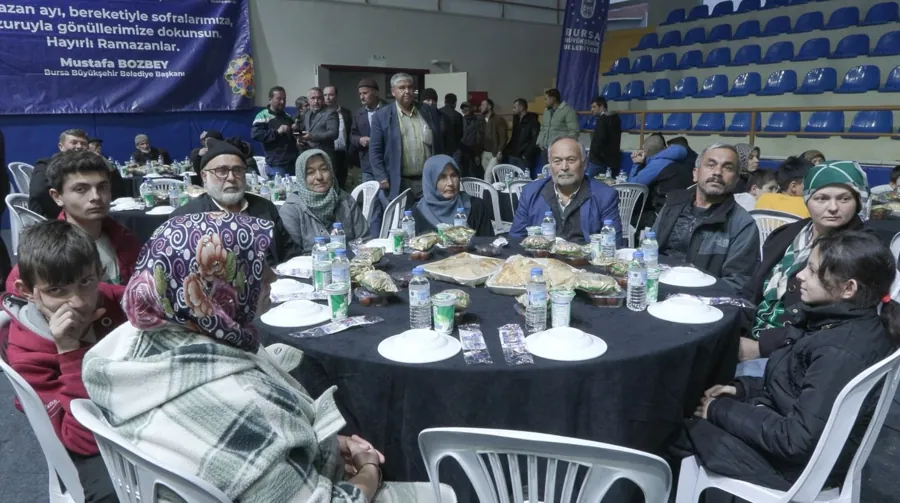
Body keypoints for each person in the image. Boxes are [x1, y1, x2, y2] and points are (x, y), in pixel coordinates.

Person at [81, 213, 455, 503]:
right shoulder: (242, 399)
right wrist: (370, 468)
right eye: (256, 271)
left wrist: (320, 443)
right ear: (215, 289)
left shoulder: (128, 345)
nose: (272, 279)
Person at [672, 230, 898, 491]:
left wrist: (718, 410)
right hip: (792, 441)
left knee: (668, 428)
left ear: (848, 288)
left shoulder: (840, 351)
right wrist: (744, 389)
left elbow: (796, 440)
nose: (800, 275)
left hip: (797, 471)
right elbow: (794, 384)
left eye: (812, 271)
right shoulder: (839, 323)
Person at [4, 220, 127, 503]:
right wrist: (69, 350)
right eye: (57, 291)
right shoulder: (26, 353)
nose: (78, 302)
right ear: (27, 291)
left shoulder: (115, 300)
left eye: (86, 283)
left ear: (100, 272)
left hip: (133, 410)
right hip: (90, 441)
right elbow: (82, 441)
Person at [738, 161, 869, 376]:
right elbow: (752, 287)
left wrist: (760, 347)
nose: (833, 207)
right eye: (821, 198)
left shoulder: (861, 251)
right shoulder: (787, 234)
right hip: (750, 332)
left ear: (858, 202)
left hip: (795, 354)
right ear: (807, 200)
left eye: (844, 198)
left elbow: (838, 325)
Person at [10, 151, 140, 293]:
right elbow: (14, 290)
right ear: (57, 197)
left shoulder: (125, 239)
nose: (96, 197)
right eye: (80, 189)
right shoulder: (44, 250)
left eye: (102, 187)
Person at [651, 143, 759, 292]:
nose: (717, 172)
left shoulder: (743, 225)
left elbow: (736, 284)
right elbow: (649, 253)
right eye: (711, 165)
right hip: (657, 291)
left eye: (728, 168)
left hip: (705, 300)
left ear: (735, 180)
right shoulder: (672, 205)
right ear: (695, 174)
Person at [171, 139, 297, 263]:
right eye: (221, 171)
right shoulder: (185, 218)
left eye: (238, 170)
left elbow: (289, 252)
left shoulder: (265, 207)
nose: (231, 178)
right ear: (204, 176)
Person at [510, 137, 622, 243]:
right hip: (541, 256)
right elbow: (516, 238)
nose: (564, 167)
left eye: (571, 160)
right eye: (557, 161)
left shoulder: (604, 195)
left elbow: (613, 244)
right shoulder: (530, 192)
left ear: (584, 164)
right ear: (550, 165)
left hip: (585, 256)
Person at [370, 72, 444, 201]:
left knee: (428, 212)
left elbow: (440, 142)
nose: (407, 91)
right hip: (398, 182)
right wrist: (381, 177)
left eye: (410, 87)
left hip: (427, 180)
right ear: (393, 92)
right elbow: (375, 150)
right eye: (402, 88)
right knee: (403, 214)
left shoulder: (427, 111)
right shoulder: (382, 116)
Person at [280, 149, 368, 254]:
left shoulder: (346, 201)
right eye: (310, 172)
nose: (319, 177)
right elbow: (291, 255)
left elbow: (365, 240)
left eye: (324, 169)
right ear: (302, 178)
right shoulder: (291, 209)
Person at [413, 155, 494, 237]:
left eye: (454, 175)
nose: (450, 183)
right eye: (442, 177)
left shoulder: (475, 206)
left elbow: (489, 242)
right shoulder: (419, 211)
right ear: (430, 181)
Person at [628, 134, 692, 230]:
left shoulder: (656, 165)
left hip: (664, 215)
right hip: (684, 211)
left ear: (645, 152)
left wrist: (636, 164)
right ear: (665, 147)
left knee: (631, 216)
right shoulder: (682, 155)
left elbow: (632, 187)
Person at [351, 79, 388, 236]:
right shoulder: (359, 113)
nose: (362, 97)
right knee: (371, 203)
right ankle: (373, 237)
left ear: (375, 92)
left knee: (387, 202)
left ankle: (389, 234)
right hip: (367, 166)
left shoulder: (389, 110)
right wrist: (360, 140)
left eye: (365, 93)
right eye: (360, 94)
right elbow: (352, 135)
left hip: (386, 165)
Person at [29, 129, 89, 219]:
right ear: (61, 147)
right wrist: (69, 210)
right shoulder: (45, 164)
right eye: (74, 142)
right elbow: (40, 192)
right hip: (48, 219)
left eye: (83, 143)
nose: (79, 146)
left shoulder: (88, 168)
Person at [252, 86, 299, 176]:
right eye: (279, 99)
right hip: (276, 164)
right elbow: (256, 134)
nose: (282, 102)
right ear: (270, 100)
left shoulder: (287, 116)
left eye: (284, 99)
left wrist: (296, 130)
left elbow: (293, 137)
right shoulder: (262, 116)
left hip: (293, 162)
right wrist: (277, 132)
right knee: (279, 185)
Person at [535, 88, 580, 167]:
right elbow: (543, 128)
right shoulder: (546, 111)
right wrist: (539, 142)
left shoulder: (568, 111)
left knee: (558, 171)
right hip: (545, 149)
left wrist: (564, 146)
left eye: (546, 99)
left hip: (560, 151)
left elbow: (574, 132)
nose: (545, 101)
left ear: (553, 99)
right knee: (546, 172)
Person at [298, 87, 339, 162]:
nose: (316, 101)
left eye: (319, 98)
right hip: (309, 156)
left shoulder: (331, 113)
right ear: (308, 100)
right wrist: (301, 140)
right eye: (313, 98)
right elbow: (305, 131)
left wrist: (312, 136)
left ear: (323, 99)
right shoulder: (307, 114)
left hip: (324, 157)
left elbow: (333, 134)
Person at [324, 85, 353, 190]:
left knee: (342, 183)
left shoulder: (346, 113)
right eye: (325, 95)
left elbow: (349, 133)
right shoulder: (321, 114)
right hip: (328, 153)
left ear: (336, 96)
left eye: (330, 95)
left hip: (343, 154)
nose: (327, 98)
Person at [588, 97, 622, 177]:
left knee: (592, 183)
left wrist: (594, 153)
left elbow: (599, 140)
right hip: (612, 161)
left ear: (602, 106)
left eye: (594, 107)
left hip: (599, 162)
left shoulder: (602, 120)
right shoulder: (617, 118)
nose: (591, 110)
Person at [505, 99, 540, 175]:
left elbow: (535, 140)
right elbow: (514, 136)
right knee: (512, 178)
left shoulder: (533, 121)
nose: (513, 110)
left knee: (523, 178)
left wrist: (526, 155)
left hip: (524, 157)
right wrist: (508, 151)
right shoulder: (516, 119)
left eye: (514, 107)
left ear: (521, 108)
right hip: (513, 154)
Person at [479, 99, 508, 183]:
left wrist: (500, 151)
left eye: (483, 105)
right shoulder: (481, 120)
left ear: (489, 106)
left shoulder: (498, 119)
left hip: (494, 153)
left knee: (488, 175)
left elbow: (503, 137)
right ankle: (493, 190)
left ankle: (487, 191)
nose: (480, 107)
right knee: (489, 176)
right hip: (484, 152)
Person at [458, 101, 482, 178]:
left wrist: (477, 153)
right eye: (463, 108)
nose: (465, 109)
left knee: (475, 172)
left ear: (471, 108)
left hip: (474, 149)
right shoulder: (460, 120)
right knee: (464, 171)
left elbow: (479, 136)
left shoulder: (478, 119)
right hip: (463, 149)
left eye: (467, 107)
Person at [439, 93, 463, 160]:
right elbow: (460, 134)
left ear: (445, 101)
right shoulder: (458, 115)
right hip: (453, 149)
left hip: (440, 149)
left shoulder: (438, 112)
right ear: (455, 103)